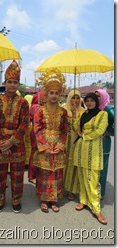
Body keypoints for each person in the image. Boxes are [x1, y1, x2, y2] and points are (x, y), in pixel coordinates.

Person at [0, 60, 29, 214]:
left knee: (17, 175)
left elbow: (25, 124)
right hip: (0, 145)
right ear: (5, 83)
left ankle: (16, 200)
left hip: (17, 145)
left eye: (15, 82)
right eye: (10, 82)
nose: (12, 85)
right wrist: (1, 142)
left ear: (19, 84)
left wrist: (11, 142)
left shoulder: (23, 103)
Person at [33, 71, 68, 213]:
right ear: (46, 94)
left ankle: (54, 199)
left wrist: (60, 146)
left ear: (60, 95)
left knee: (57, 173)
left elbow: (65, 130)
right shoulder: (39, 111)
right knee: (44, 173)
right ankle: (44, 199)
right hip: (45, 146)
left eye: (57, 93)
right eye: (51, 93)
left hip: (58, 146)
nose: (54, 96)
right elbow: (37, 129)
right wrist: (44, 147)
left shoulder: (63, 112)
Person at [72, 93, 108, 225]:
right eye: (87, 101)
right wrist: (75, 115)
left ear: (96, 102)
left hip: (93, 151)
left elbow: (100, 130)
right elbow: (75, 128)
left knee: (93, 180)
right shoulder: (83, 114)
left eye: (92, 100)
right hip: (80, 150)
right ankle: (83, 200)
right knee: (82, 177)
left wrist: (84, 135)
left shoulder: (102, 114)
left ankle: (96, 208)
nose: (90, 103)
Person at [63, 89, 85, 200]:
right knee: (63, 164)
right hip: (63, 141)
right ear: (69, 98)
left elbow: (81, 128)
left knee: (73, 166)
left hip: (76, 142)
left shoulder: (83, 111)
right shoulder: (63, 109)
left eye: (77, 98)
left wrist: (76, 116)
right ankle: (59, 188)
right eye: (73, 97)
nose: (75, 100)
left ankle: (71, 190)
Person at [95, 89, 114, 198]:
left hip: (104, 141)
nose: (97, 98)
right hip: (93, 141)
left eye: (99, 96)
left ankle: (100, 192)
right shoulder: (93, 109)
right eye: (95, 96)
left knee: (102, 166)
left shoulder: (108, 109)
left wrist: (109, 131)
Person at [28, 91, 45, 185]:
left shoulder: (36, 107)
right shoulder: (36, 107)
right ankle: (32, 175)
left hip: (39, 133)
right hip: (36, 133)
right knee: (35, 153)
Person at [23, 94, 33, 169]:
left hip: (25, 129)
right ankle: (27, 162)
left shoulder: (23, 107)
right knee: (29, 145)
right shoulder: (34, 109)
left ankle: (26, 161)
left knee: (26, 145)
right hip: (31, 127)